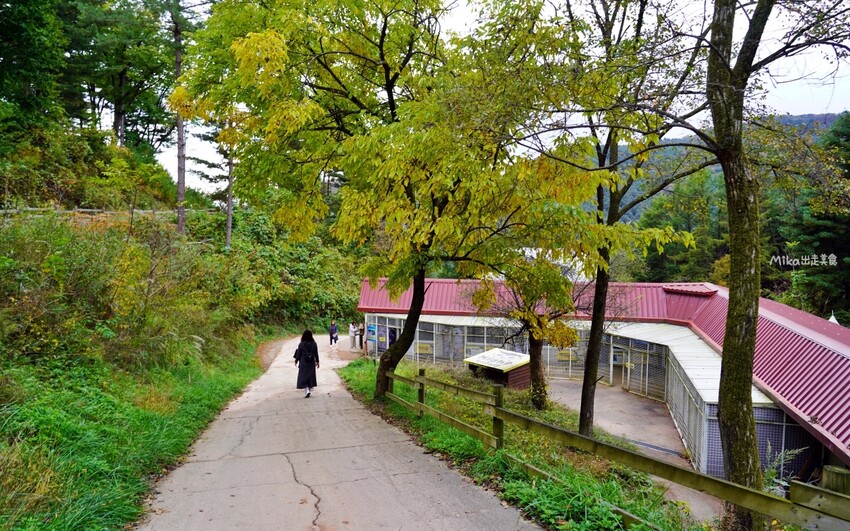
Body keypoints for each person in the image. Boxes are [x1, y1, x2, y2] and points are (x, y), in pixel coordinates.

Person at [294, 330, 319, 397]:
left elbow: (299, 353)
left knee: (303, 376)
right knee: (310, 375)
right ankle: (309, 388)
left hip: (303, 362)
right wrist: (317, 361)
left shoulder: (301, 344)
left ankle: (307, 389)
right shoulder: (314, 343)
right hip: (311, 362)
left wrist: (296, 360)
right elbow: (316, 353)